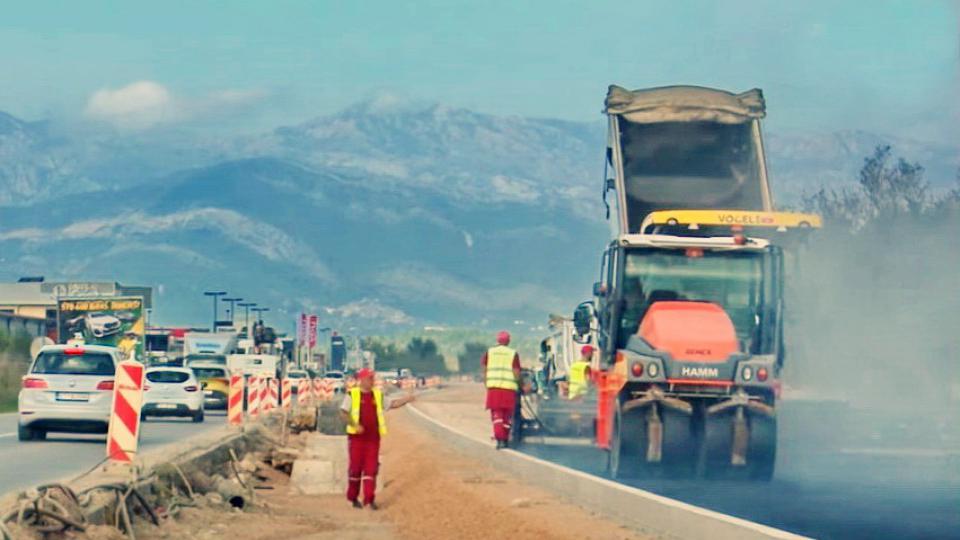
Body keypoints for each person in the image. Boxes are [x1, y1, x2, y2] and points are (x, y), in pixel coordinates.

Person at [339, 368, 415, 510]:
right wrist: (355, 425)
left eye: (372, 378)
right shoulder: (352, 394)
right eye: (369, 378)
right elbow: (343, 412)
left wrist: (407, 399)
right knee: (355, 469)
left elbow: (392, 404)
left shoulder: (378, 396)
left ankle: (369, 499)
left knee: (371, 468)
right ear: (362, 380)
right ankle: (353, 497)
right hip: (356, 439)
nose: (372, 381)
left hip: (373, 439)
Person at [481, 331, 521, 449]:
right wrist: (519, 384)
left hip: (494, 388)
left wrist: (486, 383)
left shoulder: (490, 353)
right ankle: (505, 439)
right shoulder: (513, 353)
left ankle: (500, 440)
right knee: (507, 417)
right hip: (508, 389)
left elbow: (484, 369)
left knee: (497, 415)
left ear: (498, 340)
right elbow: (516, 372)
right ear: (508, 341)